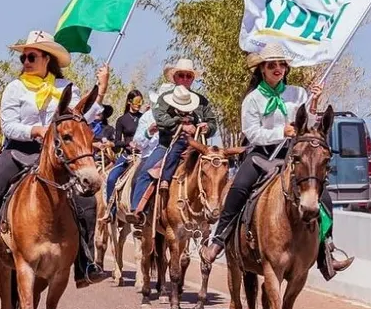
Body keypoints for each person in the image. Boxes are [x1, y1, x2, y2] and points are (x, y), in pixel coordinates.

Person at [0, 30, 110, 288]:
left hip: (57, 156)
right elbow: (8, 125)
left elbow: (79, 119)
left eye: (31, 56)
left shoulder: (66, 88)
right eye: (24, 57)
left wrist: (102, 92)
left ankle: (85, 263)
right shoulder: (15, 88)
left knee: (86, 202)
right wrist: (35, 131)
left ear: (47, 59)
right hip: (20, 151)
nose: (25, 61)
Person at [200, 44, 354, 280]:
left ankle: (327, 248)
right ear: (262, 68)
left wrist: (313, 103)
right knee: (239, 188)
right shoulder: (252, 100)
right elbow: (252, 133)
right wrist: (281, 132)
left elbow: (308, 124)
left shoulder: (298, 94)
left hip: (292, 156)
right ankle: (219, 240)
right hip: (261, 154)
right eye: (272, 65)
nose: (278, 69)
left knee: (323, 196)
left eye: (281, 64)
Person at [127, 59, 217, 218]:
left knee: (217, 171)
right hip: (167, 144)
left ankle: (216, 210)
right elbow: (160, 119)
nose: (184, 79)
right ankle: (137, 210)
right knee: (145, 172)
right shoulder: (164, 99)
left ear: (192, 78)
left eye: (188, 76)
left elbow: (212, 123)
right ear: (174, 78)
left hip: (197, 147)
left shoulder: (202, 102)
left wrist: (204, 128)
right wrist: (180, 126)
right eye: (181, 75)